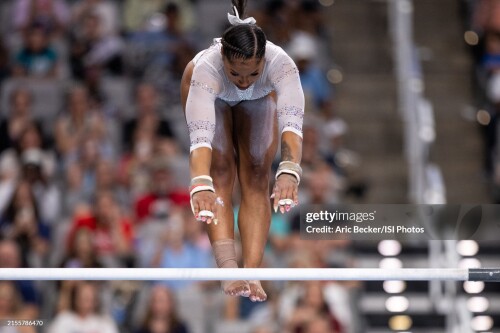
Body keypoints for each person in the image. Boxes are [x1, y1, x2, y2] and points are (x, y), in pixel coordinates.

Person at [181, 0, 304, 302]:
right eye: (236, 74)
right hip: (212, 98)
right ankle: (228, 268)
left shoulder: (282, 65)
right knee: (220, 169)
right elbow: (201, 141)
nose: (245, 82)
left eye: (252, 74)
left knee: (258, 173)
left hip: (261, 101)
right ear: (223, 57)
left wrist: (290, 171)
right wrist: (200, 183)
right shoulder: (207, 70)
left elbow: (293, 126)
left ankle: (252, 271)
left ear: (264, 60)